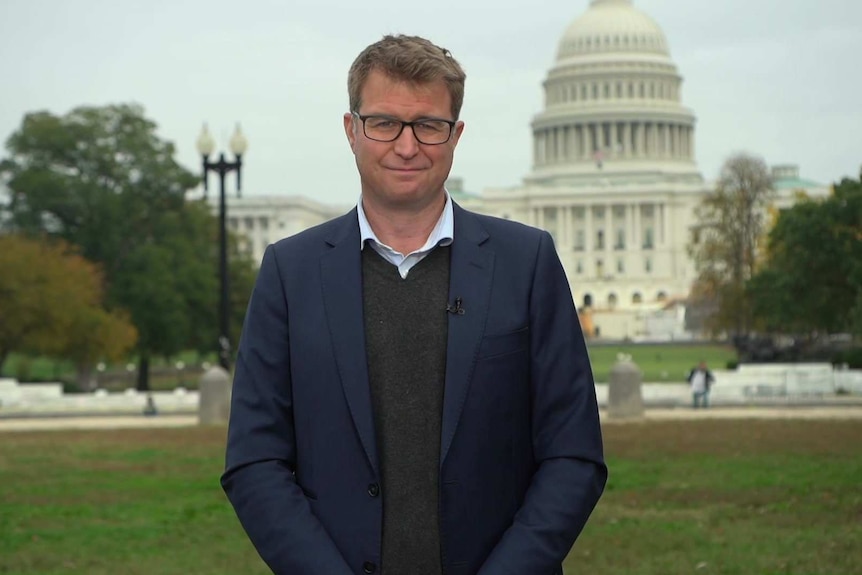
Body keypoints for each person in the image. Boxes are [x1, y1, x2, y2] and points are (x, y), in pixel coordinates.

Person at [221, 34, 607, 575]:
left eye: (428, 125)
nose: (407, 147)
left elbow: (574, 454)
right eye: (384, 123)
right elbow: (255, 460)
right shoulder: (290, 272)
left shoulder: (527, 262)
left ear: (456, 135)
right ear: (351, 130)